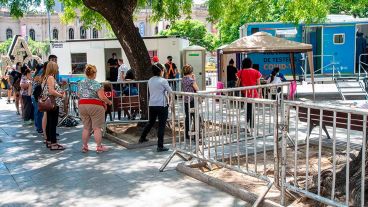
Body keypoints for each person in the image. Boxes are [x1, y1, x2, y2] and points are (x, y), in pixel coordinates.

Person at [78, 64, 112, 153]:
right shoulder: (97, 84)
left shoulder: (80, 83)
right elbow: (102, 97)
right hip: (95, 106)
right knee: (97, 128)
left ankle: (85, 146)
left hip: (82, 105)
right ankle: (99, 147)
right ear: (94, 73)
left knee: (86, 128)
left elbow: (79, 95)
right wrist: (109, 102)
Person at [139, 63, 172, 152]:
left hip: (152, 104)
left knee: (150, 122)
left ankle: (142, 138)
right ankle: (160, 146)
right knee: (162, 125)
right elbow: (170, 91)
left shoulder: (150, 80)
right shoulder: (163, 81)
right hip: (162, 105)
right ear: (161, 71)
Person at [41, 61, 65, 150]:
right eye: (57, 68)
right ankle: (54, 143)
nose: (58, 69)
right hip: (53, 103)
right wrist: (61, 95)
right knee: (52, 123)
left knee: (49, 123)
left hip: (48, 103)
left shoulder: (45, 77)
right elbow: (51, 91)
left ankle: (49, 141)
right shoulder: (51, 77)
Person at [237, 58, 262, 127]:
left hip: (245, 93)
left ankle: (248, 124)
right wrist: (260, 94)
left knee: (248, 108)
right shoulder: (256, 72)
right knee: (251, 108)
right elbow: (259, 84)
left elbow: (237, 84)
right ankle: (251, 124)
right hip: (254, 93)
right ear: (251, 63)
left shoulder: (240, 72)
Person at [182, 64, 200, 140]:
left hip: (186, 101)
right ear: (191, 71)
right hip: (192, 100)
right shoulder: (191, 80)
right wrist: (194, 79)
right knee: (196, 117)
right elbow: (197, 89)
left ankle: (187, 134)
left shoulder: (183, 79)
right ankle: (196, 135)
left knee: (188, 117)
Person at [32, 64, 44, 134]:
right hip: (37, 96)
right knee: (39, 112)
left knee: (37, 111)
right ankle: (39, 127)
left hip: (34, 96)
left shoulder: (35, 75)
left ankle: (38, 127)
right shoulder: (38, 75)